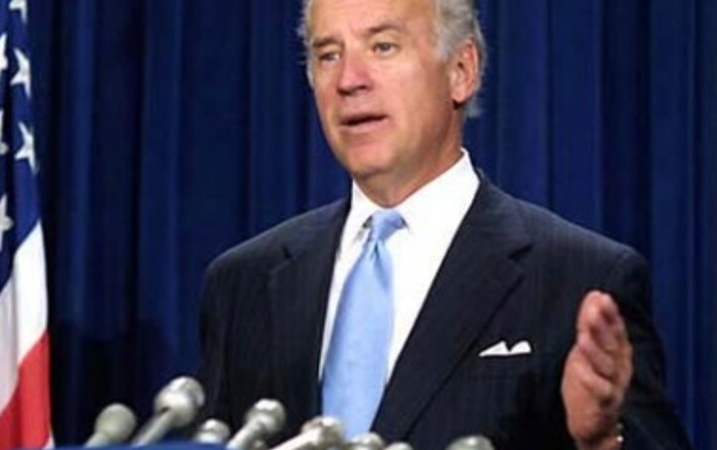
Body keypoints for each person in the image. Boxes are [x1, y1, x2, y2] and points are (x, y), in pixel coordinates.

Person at [197, 0, 692, 448]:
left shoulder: (581, 279)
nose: (349, 79)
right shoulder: (242, 283)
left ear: (461, 70)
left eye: (383, 46)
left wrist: (601, 440)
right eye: (328, 54)